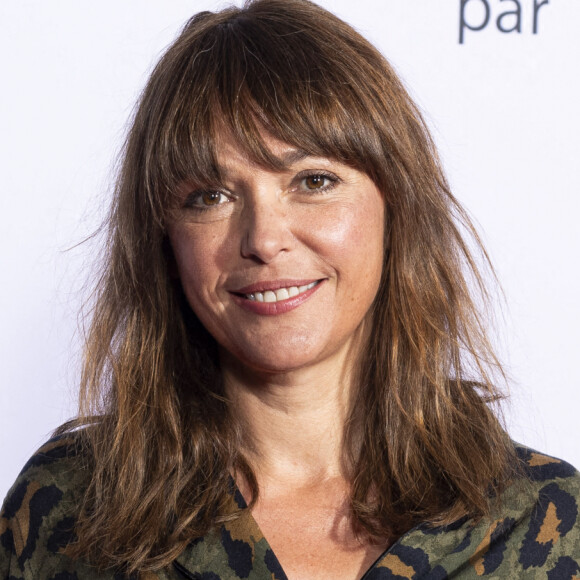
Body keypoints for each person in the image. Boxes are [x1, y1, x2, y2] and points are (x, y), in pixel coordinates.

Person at [1, 0, 579, 578]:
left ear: (395, 208)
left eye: (314, 181)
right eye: (210, 196)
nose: (264, 239)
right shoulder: (68, 508)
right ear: (164, 242)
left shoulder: (543, 518)